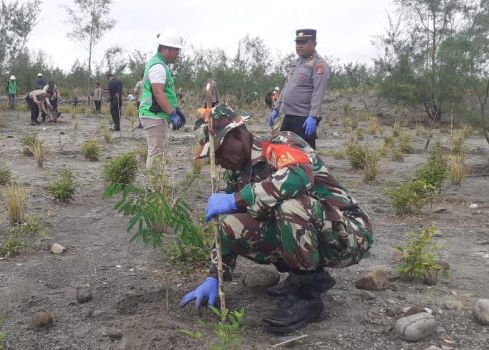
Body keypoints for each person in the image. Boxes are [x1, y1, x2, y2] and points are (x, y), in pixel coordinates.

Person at [181, 105, 373, 333]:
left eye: (219, 151)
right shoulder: (239, 174)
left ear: (238, 134)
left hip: (348, 234)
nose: (218, 161)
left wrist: (240, 197)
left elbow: (299, 175)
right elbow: (234, 221)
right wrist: (214, 276)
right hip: (316, 234)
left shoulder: (279, 144)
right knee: (231, 224)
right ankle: (312, 276)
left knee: (289, 204)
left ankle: (307, 297)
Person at [270, 29, 330, 149]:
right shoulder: (295, 63)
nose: (299, 46)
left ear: (314, 44)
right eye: (297, 42)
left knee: (304, 155)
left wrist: (313, 116)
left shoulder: (319, 65)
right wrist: (276, 108)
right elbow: (286, 86)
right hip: (287, 116)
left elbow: (318, 92)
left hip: (303, 119)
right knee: (284, 151)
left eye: (303, 42)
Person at [138, 31, 186, 170]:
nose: (178, 53)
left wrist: (175, 109)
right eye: (176, 50)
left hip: (157, 115)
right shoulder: (158, 66)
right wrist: (172, 113)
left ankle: (157, 185)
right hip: (154, 116)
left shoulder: (161, 64)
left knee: (158, 151)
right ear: (165, 49)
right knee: (156, 153)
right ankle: (154, 189)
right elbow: (158, 93)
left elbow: (164, 92)